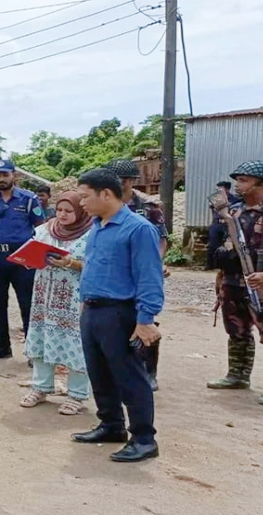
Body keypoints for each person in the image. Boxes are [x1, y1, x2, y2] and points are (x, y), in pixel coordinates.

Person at [73, 168, 163, 463]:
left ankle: (144, 438)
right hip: (93, 310)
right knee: (99, 372)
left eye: (85, 197)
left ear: (106, 194)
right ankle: (111, 425)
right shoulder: (97, 225)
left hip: (120, 312)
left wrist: (146, 319)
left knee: (129, 376)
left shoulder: (138, 229)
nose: (82, 203)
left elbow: (149, 276)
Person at [20, 192, 94, 415]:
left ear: (79, 211)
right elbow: (31, 251)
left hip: (73, 298)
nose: (62, 215)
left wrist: (70, 262)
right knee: (42, 338)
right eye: (59, 210)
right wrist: (28, 259)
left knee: (76, 342)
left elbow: (97, 265)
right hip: (45, 296)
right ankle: (40, 387)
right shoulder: (44, 230)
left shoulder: (91, 234)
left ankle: (77, 395)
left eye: (68, 211)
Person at [206, 161, 263, 405]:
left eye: (244, 180)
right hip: (234, 280)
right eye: (237, 180)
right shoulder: (232, 213)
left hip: (262, 283)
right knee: (236, 329)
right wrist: (220, 275)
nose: (237, 185)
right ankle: (238, 375)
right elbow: (221, 245)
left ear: (262, 183)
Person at [104, 159, 168, 391]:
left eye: (121, 180)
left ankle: (149, 372)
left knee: (146, 319)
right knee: (116, 322)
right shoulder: (105, 206)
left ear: (131, 181)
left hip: (141, 273)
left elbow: (161, 240)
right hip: (114, 275)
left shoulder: (149, 207)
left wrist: (154, 264)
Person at [0, 159, 45, 360]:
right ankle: (2, 346)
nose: (1, 179)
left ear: (14, 175)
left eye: (5, 175)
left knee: (27, 304)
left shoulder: (29, 198)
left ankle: (33, 351)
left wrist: (37, 256)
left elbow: (40, 227)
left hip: (23, 255)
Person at [206, 181, 236, 270]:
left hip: (227, 224)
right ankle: (210, 265)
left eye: (220, 189)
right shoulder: (216, 198)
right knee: (212, 244)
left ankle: (225, 265)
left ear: (227, 189)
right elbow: (212, 207)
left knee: (228, 245)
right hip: (216, 223)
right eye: (217, 189)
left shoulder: (234, 199)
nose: (218, 190)